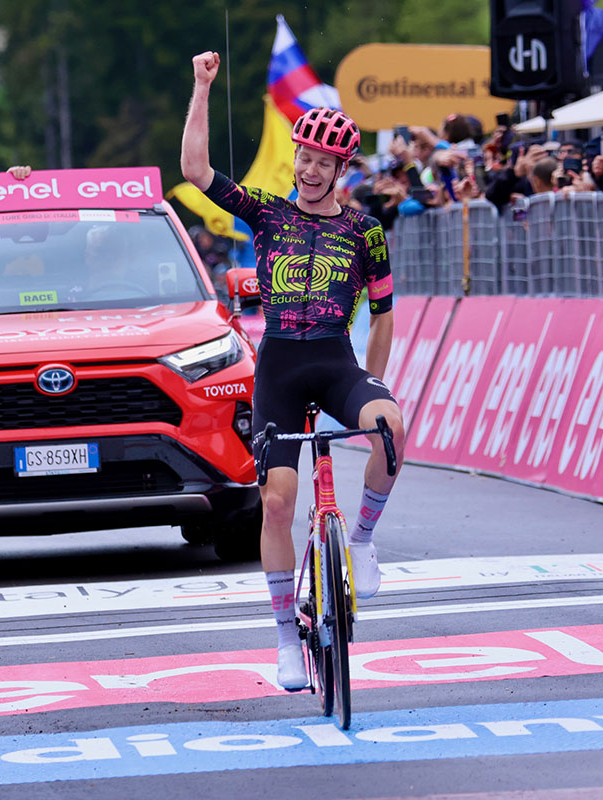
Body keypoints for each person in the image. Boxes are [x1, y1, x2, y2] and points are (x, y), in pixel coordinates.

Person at [181, 50, 405, 691]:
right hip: (278, 365)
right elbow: (194, 170)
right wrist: (202, 87)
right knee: (277, 503)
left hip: (334, 362)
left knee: (391, 428)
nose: (309, 170)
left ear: (341, 169)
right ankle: (285, 639)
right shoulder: (267, 213)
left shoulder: (365, 231)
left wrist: (375, 383)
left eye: (322, 162)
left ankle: (361, 540)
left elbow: (383, 316)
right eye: (303, 157)